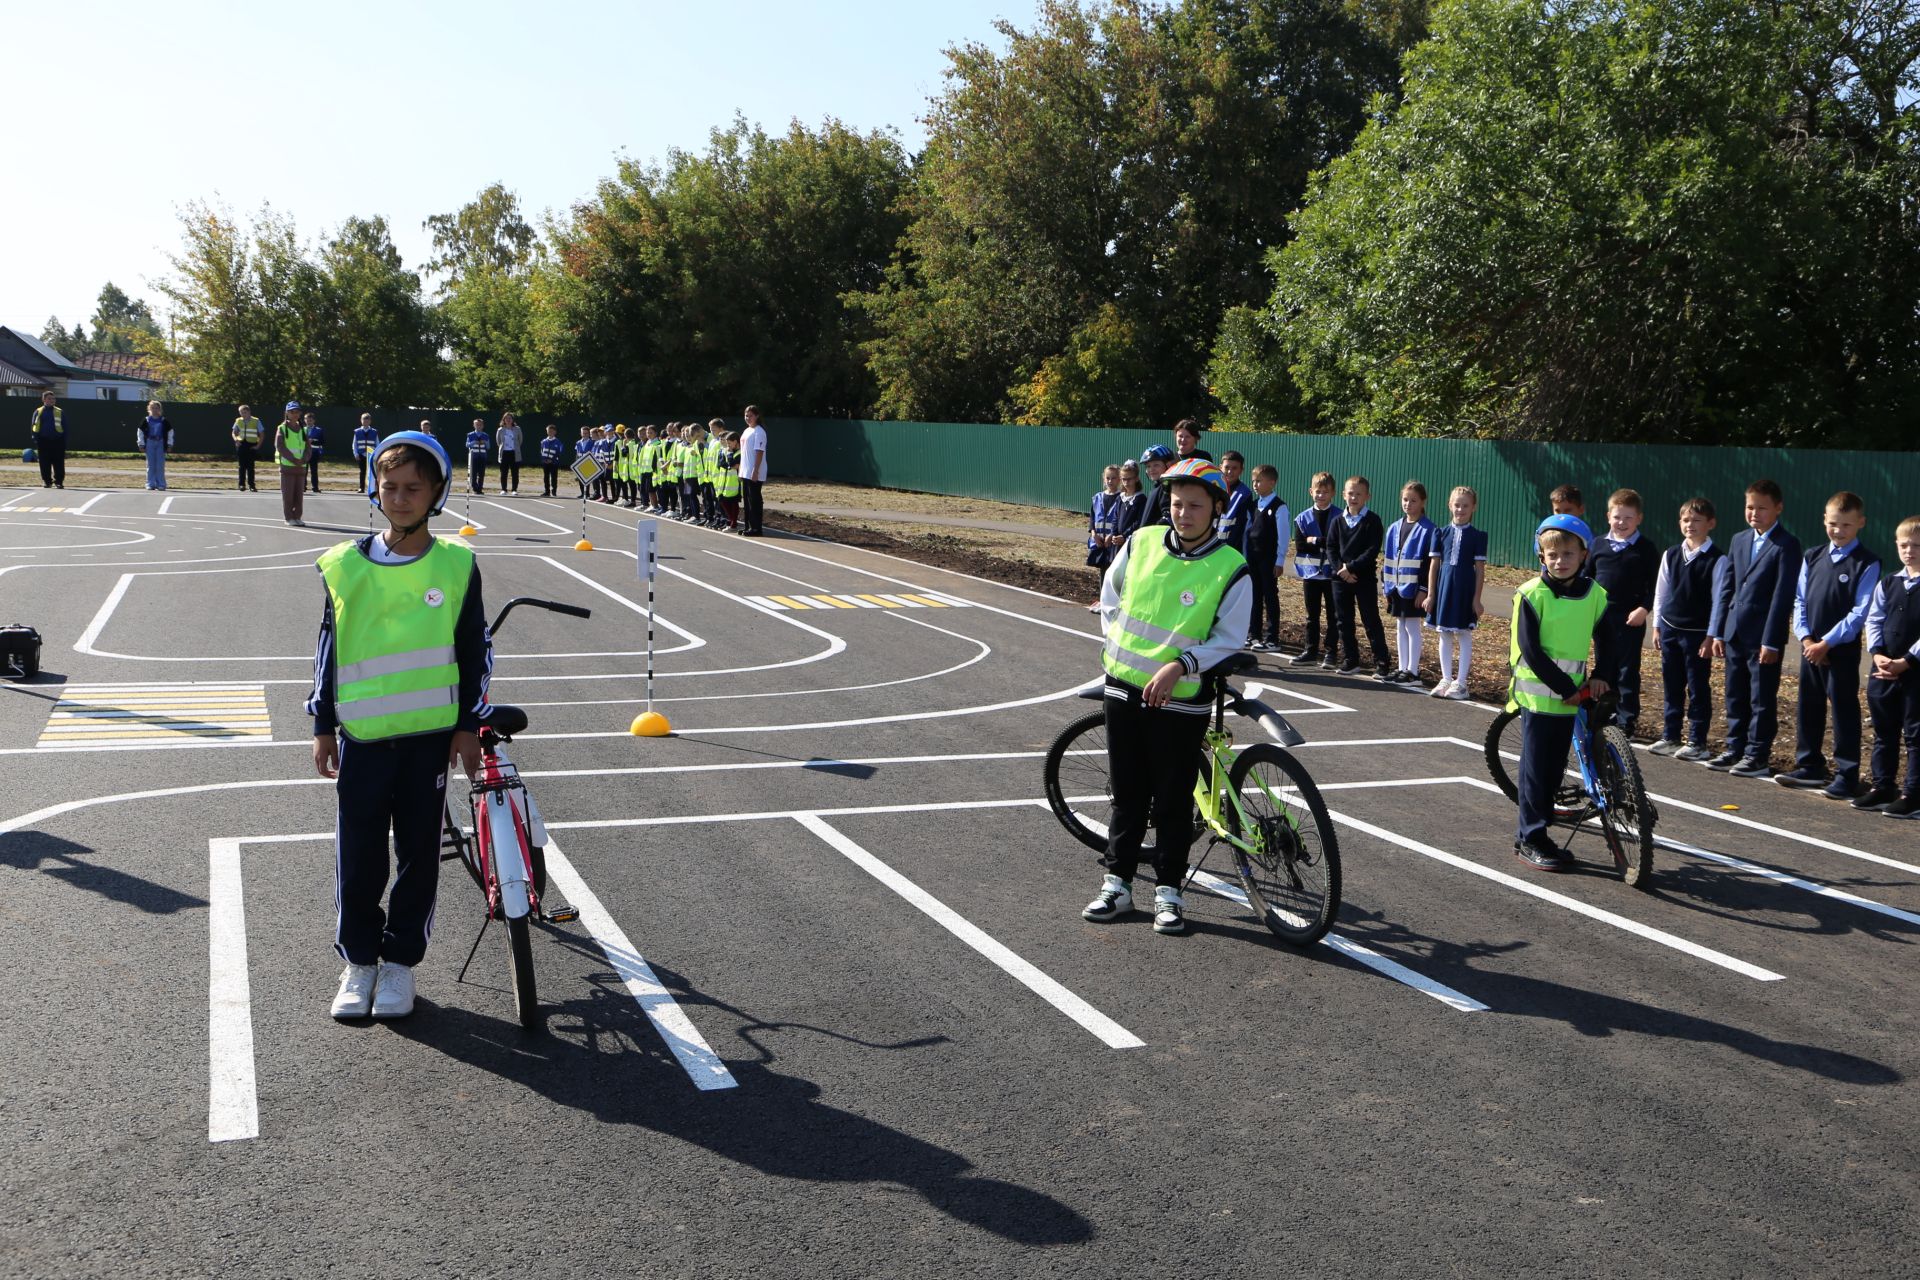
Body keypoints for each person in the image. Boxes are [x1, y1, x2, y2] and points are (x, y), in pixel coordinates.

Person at [306, 430, 491, 1020]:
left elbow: (473, 649)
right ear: (374, 489)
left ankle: (400, 965)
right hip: (361, 737)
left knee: (418, 855)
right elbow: (328, 651)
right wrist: (322, 723)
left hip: (428, 739)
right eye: (391, 486)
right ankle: (359, 961)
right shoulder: (342, 565)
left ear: (437, 492)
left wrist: (467, 725)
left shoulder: (457, 563)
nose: (402, 497)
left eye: (415, 487)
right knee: (360, 855)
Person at [1083, 457, 1251, 936]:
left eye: (1195, 505)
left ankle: (1169, 894)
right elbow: (1111, 596)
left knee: (1173, 800)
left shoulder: (1231, 568)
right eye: (1177, 504)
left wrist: (1179, 666)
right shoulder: (1141, 542)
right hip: (1123, 688)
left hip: (1180, 700)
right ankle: (1117, 885)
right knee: (1127, 793)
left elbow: (1228, 637)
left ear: (1216, 508)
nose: (1183, 513)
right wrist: (1120, 648)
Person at [1510, 515, 1618, 872]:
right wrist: (1567, 688)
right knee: (1536, 771)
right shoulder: (1531, 594)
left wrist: (1602, 674)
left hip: (1571, 699)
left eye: (1569, 553)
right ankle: (1530, 837)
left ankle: (1539, 833)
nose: (1560, 560)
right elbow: (1531, 651)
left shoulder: (1595, 596)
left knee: (1554, 769)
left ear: (1584, 554)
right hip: (1541, 697)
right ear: (1541, 556)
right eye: (1552, 554)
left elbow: (1607, 640)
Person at [1776, 491, 1880, 800]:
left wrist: (1827, 642)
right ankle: (1809, 766)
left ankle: (1847, 775)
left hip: (1841, 652)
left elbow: (1860, 612)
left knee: (1844, 710)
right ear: (1825, 520)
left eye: (1846, 525)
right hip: (1811, 648)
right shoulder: (1812, 555)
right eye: (1833, 523)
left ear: (1860, 523)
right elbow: (1800, 600)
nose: (1838, 530)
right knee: (1808, 705)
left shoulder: (1868, 562)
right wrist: (1807, 638)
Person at [1706, 479, 1803, 777]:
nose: (1755, 513)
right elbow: (1727, 589)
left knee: (1761, 698)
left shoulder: (1787, 545)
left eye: (1762, 508)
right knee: (1734, 693)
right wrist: (1720, 630)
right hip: (1735, 631)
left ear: (1778, 508)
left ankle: (1757, 754)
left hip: (1763, 637)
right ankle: (1735, 747)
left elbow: (1782, 596)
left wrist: (1772, 641)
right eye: (1750, 507)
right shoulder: (1739, 540)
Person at [1648, 498, 1727, 760]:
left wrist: (1711, 635)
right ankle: (1670, 735)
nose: (1690, 525)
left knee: (1697, 687)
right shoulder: (1671, 554)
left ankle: (1697, 741)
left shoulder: (1718, 559)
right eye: (1685, 520)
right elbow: (1661, 593)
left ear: (1711, 524)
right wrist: (1657, 625)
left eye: (1696, 520)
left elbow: (1719, 601)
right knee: (1672, 685)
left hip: (1697, 635)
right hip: (1670, 629)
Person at [1859, 515, 1920, 817]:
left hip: (1914, 673)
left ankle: (1913, 793)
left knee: (1915, 734)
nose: (1910, 551)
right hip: (1884, 670)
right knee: (1884, 731)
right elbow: (1874, 618)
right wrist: (1877, 653)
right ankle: (1883, 786)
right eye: (1905, 545)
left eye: (1917, 546)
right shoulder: (1889, 582)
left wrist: (1906, 661)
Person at [1587, 489, 1661, 732]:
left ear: (1639, 518)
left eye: (1628, 518)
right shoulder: (1598, 544)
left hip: (1631, 619)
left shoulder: (1646, 549)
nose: (1622, 523)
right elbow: (1587, 579)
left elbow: (1655, 586)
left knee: (1627, 670)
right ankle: (1603, 713)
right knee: (1604, 664)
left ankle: (1625, 719)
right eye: (1617, 517)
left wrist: (1644, 608)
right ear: (1609, 516)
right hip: (1602, 618)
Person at [1424, 485, 1487, 700]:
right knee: (1444, 633)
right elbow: (1434, 565)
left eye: (1465, 506)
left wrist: (1477, 599)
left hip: (1465, 591)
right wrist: (1431, 594)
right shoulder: (1440, 533)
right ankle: (1446, 679)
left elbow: (1479, 570)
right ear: (1450, 505)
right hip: (1444, 590)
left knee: (1463, 633)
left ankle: (1461, 683)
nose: (1460, 509)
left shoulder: (1478, 536)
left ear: (1473, 508)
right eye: (1457, 505)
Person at [1329, 475, 1392, 679]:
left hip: (1363, 579)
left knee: (1370, 619)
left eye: (1358, 494)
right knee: (1343, 620)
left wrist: (1352, 568)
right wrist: (1341, 570)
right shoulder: (1337, 521)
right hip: (1340, 579)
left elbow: (1372, 550)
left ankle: (1381, 662)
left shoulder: (1372, 521)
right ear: (1343, 495)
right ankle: (1350, 660)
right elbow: (1331, 548)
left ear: (1367, 496)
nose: (1353, 497)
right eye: (1350, 493)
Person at [1382, 480, 1437, 683]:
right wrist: (1386, 586)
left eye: (1413, 500)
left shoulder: (1428, 529)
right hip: (1395, 588)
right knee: (1400, 626)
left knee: (1412, 628)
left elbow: (1429, 564)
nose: (1408, 504)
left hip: (1414, 589)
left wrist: (1424, 589)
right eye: (1405, 499)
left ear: (1423, 502)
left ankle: (1413, 671)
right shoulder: (1394, 528)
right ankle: (1402, 667)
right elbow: (1388, 559)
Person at [1290, 472, 1342, 669]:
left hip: (1331, 574)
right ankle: (1310, 651)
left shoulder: (1340, 516)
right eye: (1318, 492)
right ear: (1311, 492)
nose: (1321, 495)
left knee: (1332, 615)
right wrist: (1323, 542)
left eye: (1325, 492)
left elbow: (1336, 544)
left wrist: (1317, 540)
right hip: (1310, 573)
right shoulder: (1302, 518)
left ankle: (1330, 653)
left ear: (1333, 493)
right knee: (1311, 616)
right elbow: (1301, 546)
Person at [1244, 464, 1289, 651]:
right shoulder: (1254, 505)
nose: (1255, 484)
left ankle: (1272, 638)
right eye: (1254, 480)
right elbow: (1248, 531)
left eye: (1259, 481)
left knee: (1270, 596)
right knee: (1254, 596)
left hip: (1268, 558)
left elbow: (1284, 535)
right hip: (1253, 557)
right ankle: (1253, 634)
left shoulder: (1279, 506)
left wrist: (1280, 560)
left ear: (1272, 482)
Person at [1085, 464, 1124, 612]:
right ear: (1104, 479)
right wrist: (1093, 534)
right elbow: (1092, 518)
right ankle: (1103, 600)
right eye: (1108, 478)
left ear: (1119, 480)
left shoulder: (1121, 498)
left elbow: (1120, 519)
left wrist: (1112, 535)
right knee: (1102, 572)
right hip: (1099, 542)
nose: (1110, 481)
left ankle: (1114, 602)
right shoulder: (1097, 497)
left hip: (1113, 543)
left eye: (1114, 478)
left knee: (1114, 573)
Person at [275, 401, 308, 526]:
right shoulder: (282, 428)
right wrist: (294, 459)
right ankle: (289, 517)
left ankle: (297, 516)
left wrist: (304, 459)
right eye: (292, 412)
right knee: (288, 494)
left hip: (301, 467)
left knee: (299, 495)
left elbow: (308, 448)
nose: (295, 414)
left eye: (297, 412)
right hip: (288, 467)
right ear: (287, 413)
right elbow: (280, 446)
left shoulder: (304, 430)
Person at [1215, 451, 1254, 555]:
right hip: (1210, 546)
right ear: (1220, 467)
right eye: (1227, 467)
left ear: (1241, 470)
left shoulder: (1244, 494)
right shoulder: (1212, 488)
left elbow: (1242, 526)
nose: (1230, 471)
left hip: (1232, 549)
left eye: (1235, 468)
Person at [739, 406, 768, 536]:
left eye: (750, 415)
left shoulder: (759, 432)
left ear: (756, 416)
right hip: (745, 472)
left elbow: (759, 452)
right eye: (746, 415)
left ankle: (756, 528)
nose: (747, 418)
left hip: (754, 472)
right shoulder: (746, 431)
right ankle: (748, 526)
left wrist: (755, 470)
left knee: (754, 500)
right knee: (747, 500)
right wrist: (741, 470)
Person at [29, 390, 64, 489]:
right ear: (44, 400)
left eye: (53, 399)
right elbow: (33, 426)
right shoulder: (38, 411)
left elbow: (65, 427)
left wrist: (63, 441)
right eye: (49, 398)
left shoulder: (59, 411)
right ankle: (47, 481)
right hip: (43, 441)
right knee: (44, 463)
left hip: (57, 441)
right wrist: (35, 438)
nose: (52, 400)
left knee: (58, 463)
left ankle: (59, 482)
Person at [137, 399, 173, 491]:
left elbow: (170, 432)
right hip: (150, 442)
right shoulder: (146, 420)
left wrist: (169, 444)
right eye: (152, 408)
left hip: (160, 443)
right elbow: (140, 432)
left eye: (156, 408)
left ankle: (161, 484)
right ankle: (150, 483)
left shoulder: (164, 421)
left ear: (159, 409)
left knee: (160, 465)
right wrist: (141, 444)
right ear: (149, 409)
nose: (154, 410)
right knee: (150, 464)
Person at [1137, 444, 1176, 527]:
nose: (1151, 469)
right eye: (1148, 466)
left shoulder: (1166, 488)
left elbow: (1168, 517)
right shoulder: (1158, 487)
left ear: (1169, 465)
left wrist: (1148, 532)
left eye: (1156, 465)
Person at [1112, 459, 1147, 543]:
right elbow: (1115, 518)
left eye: (1129, 479)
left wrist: (1124, 536)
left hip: (1131, 540)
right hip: (1118, 540)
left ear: (1136, 479)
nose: (1126, 482)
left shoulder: (1141, 499)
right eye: (1124, 479)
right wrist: (1114, 534)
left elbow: (1139, 522)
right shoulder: (1120, 498)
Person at [231, 404, 264, 492]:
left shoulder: (256, 421)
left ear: (249, 412)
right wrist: (236, 440)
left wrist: (258, 446)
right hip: (241, 445)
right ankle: (241, 485)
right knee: (241, 466)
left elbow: (261, 434)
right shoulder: (238, 421)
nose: (243, 414)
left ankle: (251, 485)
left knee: (250, 466)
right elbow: (234, 432)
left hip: (251, 445)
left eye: (244, 412)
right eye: (241, 412)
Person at [716, 431, 743, 531]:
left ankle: (733, 524)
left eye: (729, 443)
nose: (728, 445)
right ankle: (732, 521)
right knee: (722, 500)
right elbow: (721, 464)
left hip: (735, 482)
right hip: (724, 482)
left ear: (735, 442)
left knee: (733, 503)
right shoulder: (725, 451)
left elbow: (733, 464)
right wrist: (730, 465)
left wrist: (730, 460)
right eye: (727, 443)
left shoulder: (739, 453)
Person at [351, 413, 380, 494]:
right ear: (361, 420)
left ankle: (372, 489)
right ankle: (361, 488)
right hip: (361, 455)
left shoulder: (374, 432)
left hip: (371, 455)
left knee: (372, 472)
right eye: (364, 419)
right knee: (362, 472)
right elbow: (354, 444)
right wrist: (356, 454)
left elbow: (377, 443)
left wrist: (377, 454)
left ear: (370, 421)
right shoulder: (357, 432)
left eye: (367, 419)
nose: (365, 421)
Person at [496, 412, 522, 495]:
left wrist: (515, 448)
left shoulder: (517, 429)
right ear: (504, 420)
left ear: (512, 420)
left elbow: (520, 440)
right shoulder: (500, 430)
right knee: (504, 472)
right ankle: (504, 489)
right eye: (506, 418)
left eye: (510, 418)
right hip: (504, 453)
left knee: (515, 473)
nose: (508, 420)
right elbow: (498, 442)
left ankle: (514, 490)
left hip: (514, 453)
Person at [465, 418, 490, 495]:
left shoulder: (485, 435)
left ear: (482, 426)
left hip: (482, 456)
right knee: (474, 472)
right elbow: (467, 445)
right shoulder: (470, 435)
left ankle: (480, 488)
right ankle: (474, 487)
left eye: (480, 425)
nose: (478, 426)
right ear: (474, 425)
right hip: (474, 456)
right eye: (477, 425)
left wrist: (484, 442)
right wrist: (474, 442)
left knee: (481, 473)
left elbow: (488, 447)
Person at [303, 410, 325, 492]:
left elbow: (322, 441)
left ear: (314, 420)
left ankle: (315, 487)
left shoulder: (319, 430)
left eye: (310, 420)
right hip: (304, 453)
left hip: (314, 452)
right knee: (303, 471)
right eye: (307, 420)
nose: (308, 422)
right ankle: (303, 487)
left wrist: (313, 441)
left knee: (314, 471)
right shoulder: (302, 429)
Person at [539, 425, 563, 497]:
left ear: (555, 432)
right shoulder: (543, 441)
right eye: (549, 431)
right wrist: (544, 460)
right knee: (546, 477)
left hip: (554, 463)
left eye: (552, 431)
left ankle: (554, 491)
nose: (550, 433)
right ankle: (547, 491)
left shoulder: (558, 442)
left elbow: (559, 452)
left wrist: (552, 460)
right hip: (545, 463)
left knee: (554, 477)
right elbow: (542, 451)